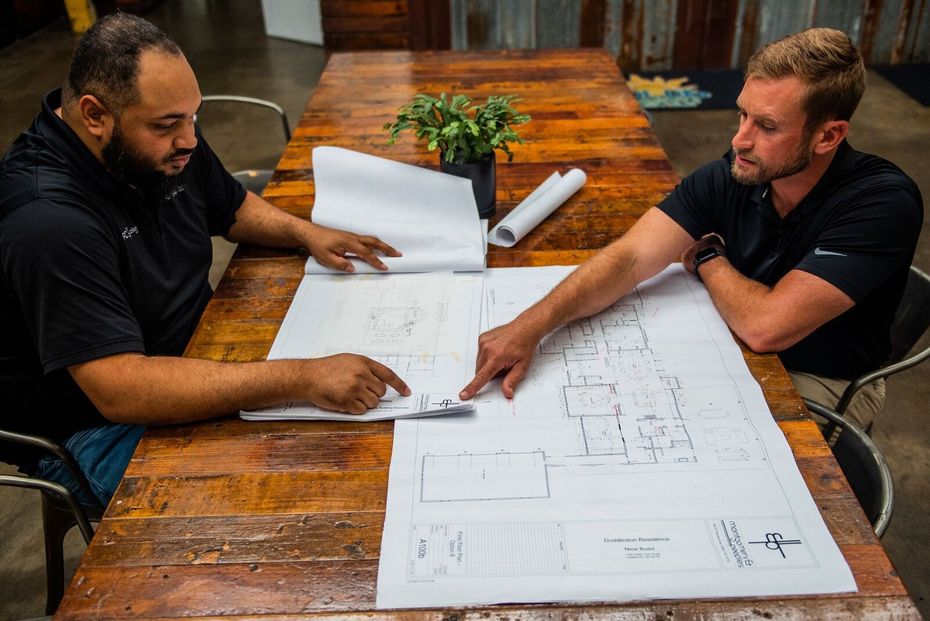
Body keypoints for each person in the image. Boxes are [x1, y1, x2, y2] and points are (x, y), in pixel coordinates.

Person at [0, 13, 410, 506]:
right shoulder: (47, 220)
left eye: (192, 116)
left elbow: (230, 207)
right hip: (95, 428)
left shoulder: (163, 139)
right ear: (94, 116)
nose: (189, 139)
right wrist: (303, 376)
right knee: (299, 490)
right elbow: (120, 390)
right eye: (167, 124)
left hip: (194, 349)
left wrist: (306, 232)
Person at [459, 28, 923, 432]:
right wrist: (530, 326)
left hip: (821, 377)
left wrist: (707, 258)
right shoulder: (737, 172)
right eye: (742, 114)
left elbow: (767, 328)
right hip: (734, 343)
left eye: (767, 126)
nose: (740, 139)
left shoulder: (881, 204)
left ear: (828, 136)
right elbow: (630, 258)